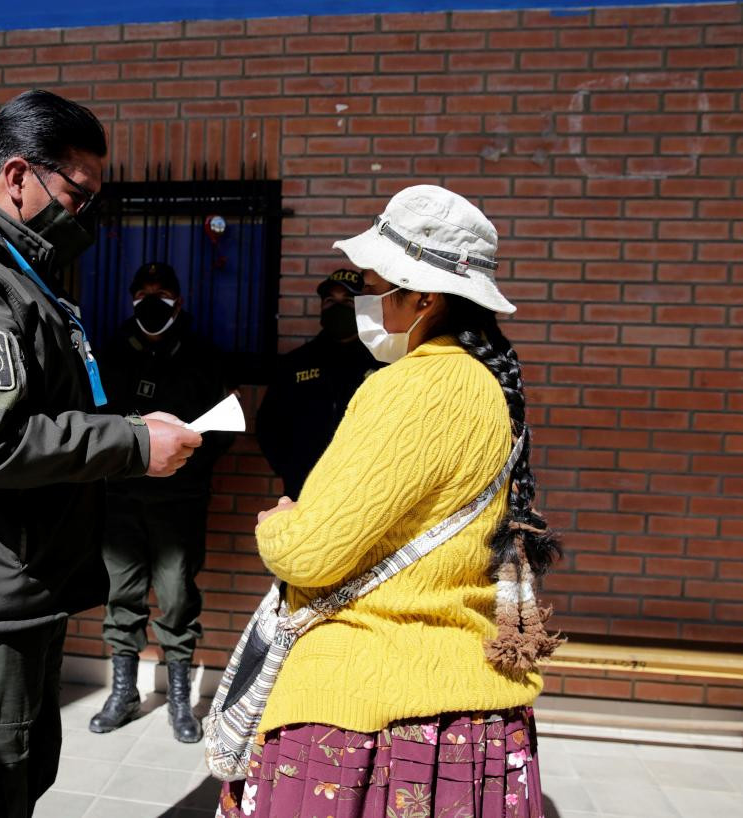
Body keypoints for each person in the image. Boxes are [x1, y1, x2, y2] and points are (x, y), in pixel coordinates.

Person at [0, 89, 202, 818]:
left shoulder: (8, 271)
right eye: (76, 194)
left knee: (12, 787)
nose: (84, 215)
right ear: (18, 176)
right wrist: (134, 443)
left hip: (8, 586)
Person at [218, 185, 560, 818]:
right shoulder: (487, 384)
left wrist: (279, 524)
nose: (361, 304)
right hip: (469, 701)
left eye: (373, 286)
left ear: (424, 296)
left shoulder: (409, 387)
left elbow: (312, 553)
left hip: (366, 711)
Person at [89, 262, 234, 743]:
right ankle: (124, 692)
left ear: (180, 299)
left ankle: (178, 700)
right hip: (121, 498)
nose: (152, 299)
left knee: (176, 599)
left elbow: (223, 427)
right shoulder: (110, 353)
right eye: (143, 291)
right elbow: (95, 421)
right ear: (131, 298)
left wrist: (183, 461)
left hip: (179, 501)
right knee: (121, 596)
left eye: (162, 291)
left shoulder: (204, 356)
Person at [256, 269, 378, 499]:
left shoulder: (382, 363)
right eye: (330, 300)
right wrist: (292, 470)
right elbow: (268, 425)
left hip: (364, 492)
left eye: (348, 301)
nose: (337, 307)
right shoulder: (295, 363)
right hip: (303, 491)